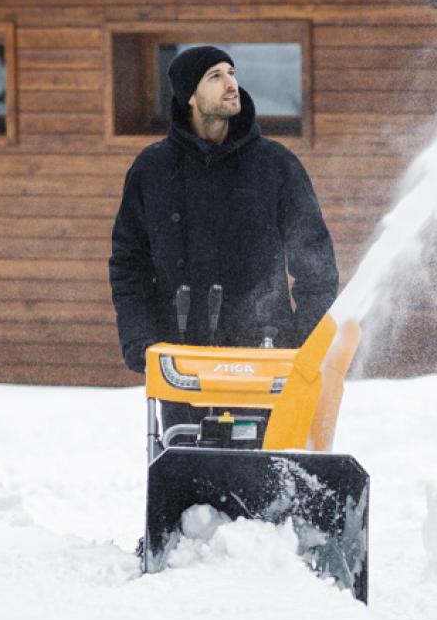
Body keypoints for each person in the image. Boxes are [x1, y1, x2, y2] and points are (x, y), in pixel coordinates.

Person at [109, 45, 338, 374]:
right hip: (180, 361)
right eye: (215, 77)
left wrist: (306, 343)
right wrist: (140, 339)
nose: (231, 84)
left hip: (266, 356)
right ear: (189, 95)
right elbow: (129, 266)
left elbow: (317, 266)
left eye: (232, 73)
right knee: (184, 431)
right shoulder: (153, 169)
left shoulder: (275, 165)